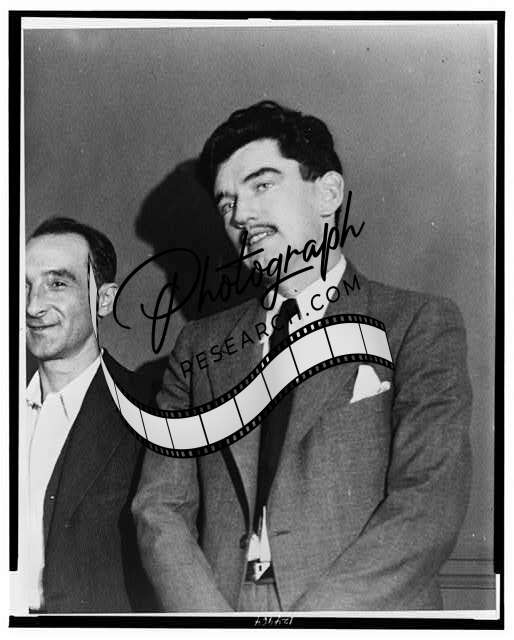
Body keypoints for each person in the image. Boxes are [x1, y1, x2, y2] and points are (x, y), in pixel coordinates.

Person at [132, 101, 472, 611]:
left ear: (328, 193)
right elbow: (159, 508)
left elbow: (429, 500)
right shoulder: (196, 347)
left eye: (262, 186)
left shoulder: (417, 323)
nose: (241, 215)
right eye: (226, 204)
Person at [18, 217, 156, 613]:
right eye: (24, 286)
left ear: (104, 300)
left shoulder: (150, 411)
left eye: (58, 284)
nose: (33, 306)